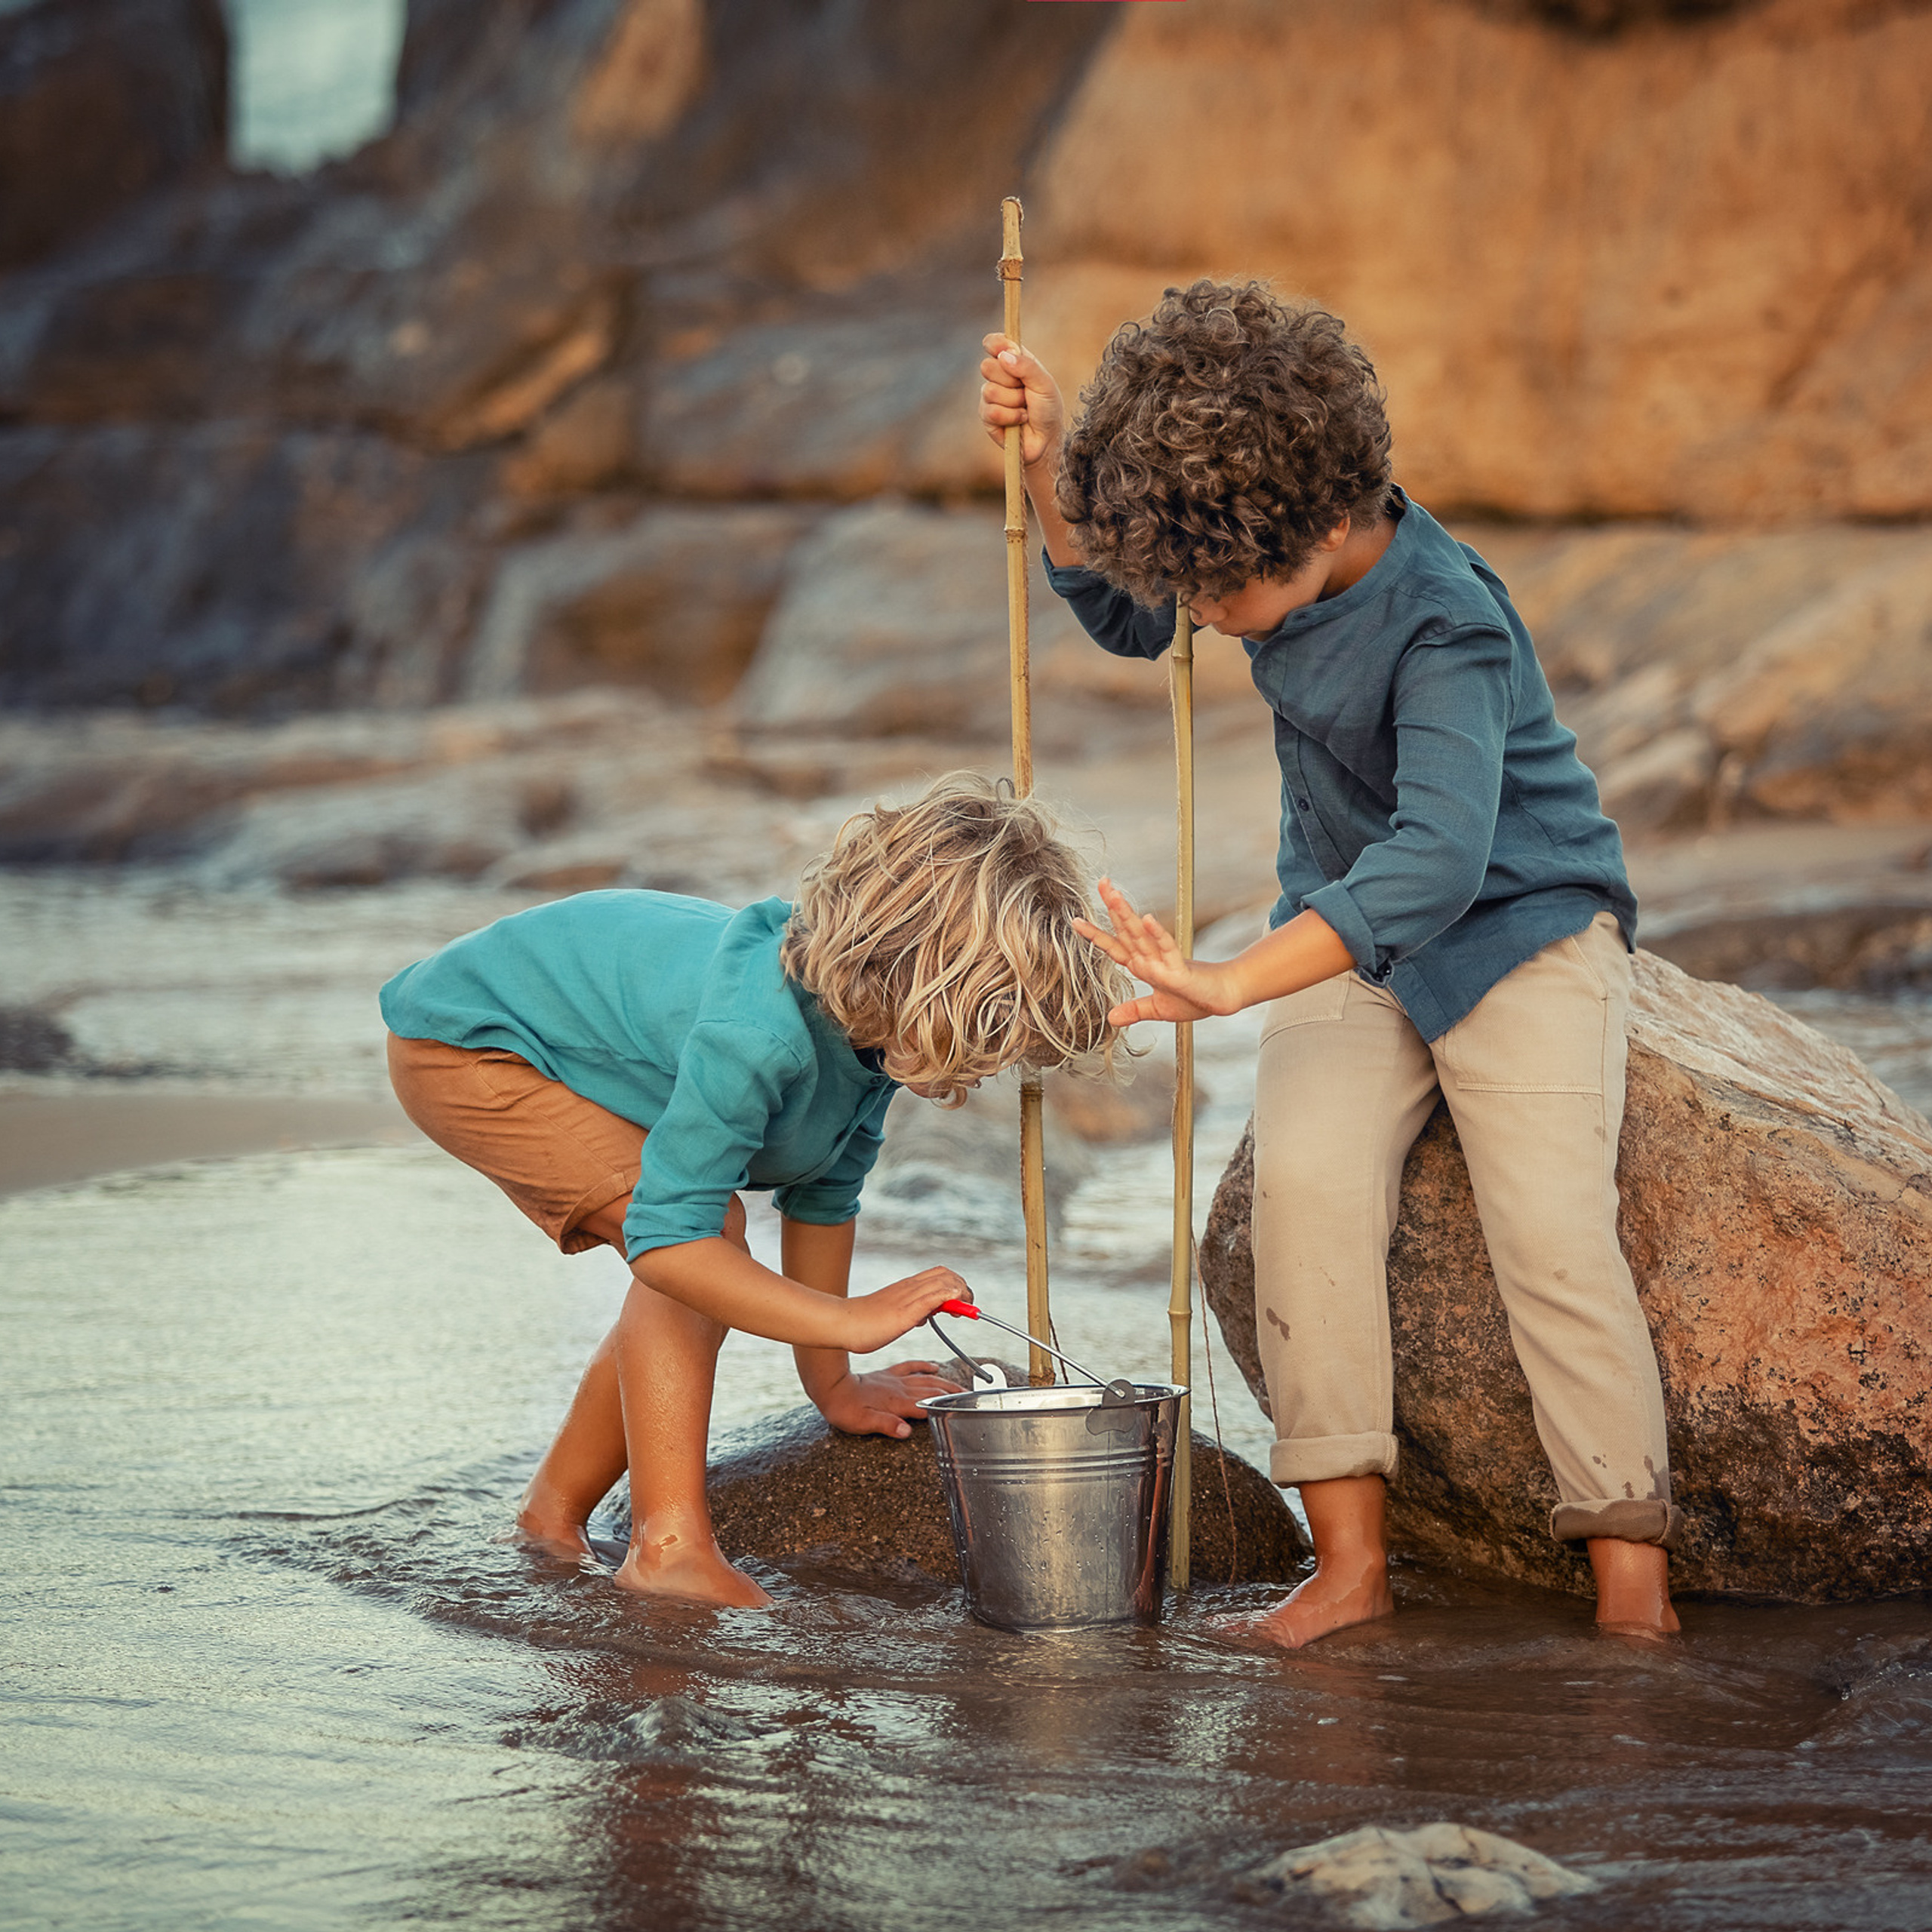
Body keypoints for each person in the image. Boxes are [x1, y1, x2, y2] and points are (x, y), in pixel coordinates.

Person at [980, 280, 1681, 1645]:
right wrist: (1049, 462)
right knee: (1302, 1187)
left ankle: (1630, 1577)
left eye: (1231, 591)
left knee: (1548, 1232)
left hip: (1519, 928)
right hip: (1350, 943)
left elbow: (1438, 861)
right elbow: (1130, 618)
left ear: (1328, 519)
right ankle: (1348, 1564)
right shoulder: (1244, 555)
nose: (1217, 617)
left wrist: (1235, 981)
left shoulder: (1446, 621)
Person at [381, 773, 1128, 1609]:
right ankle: (666, 1546)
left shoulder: (870, 1044)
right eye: (982, 1031)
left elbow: (823, 1202)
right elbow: (671, 1243)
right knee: (699, 1240)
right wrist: (847, 1318)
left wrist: (834, 1383)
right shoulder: (757, 1033)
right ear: (907, 971)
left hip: (563, 1040)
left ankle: (549, 1519)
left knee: (701, 1244)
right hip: (471, 1049)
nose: (987, 1064)